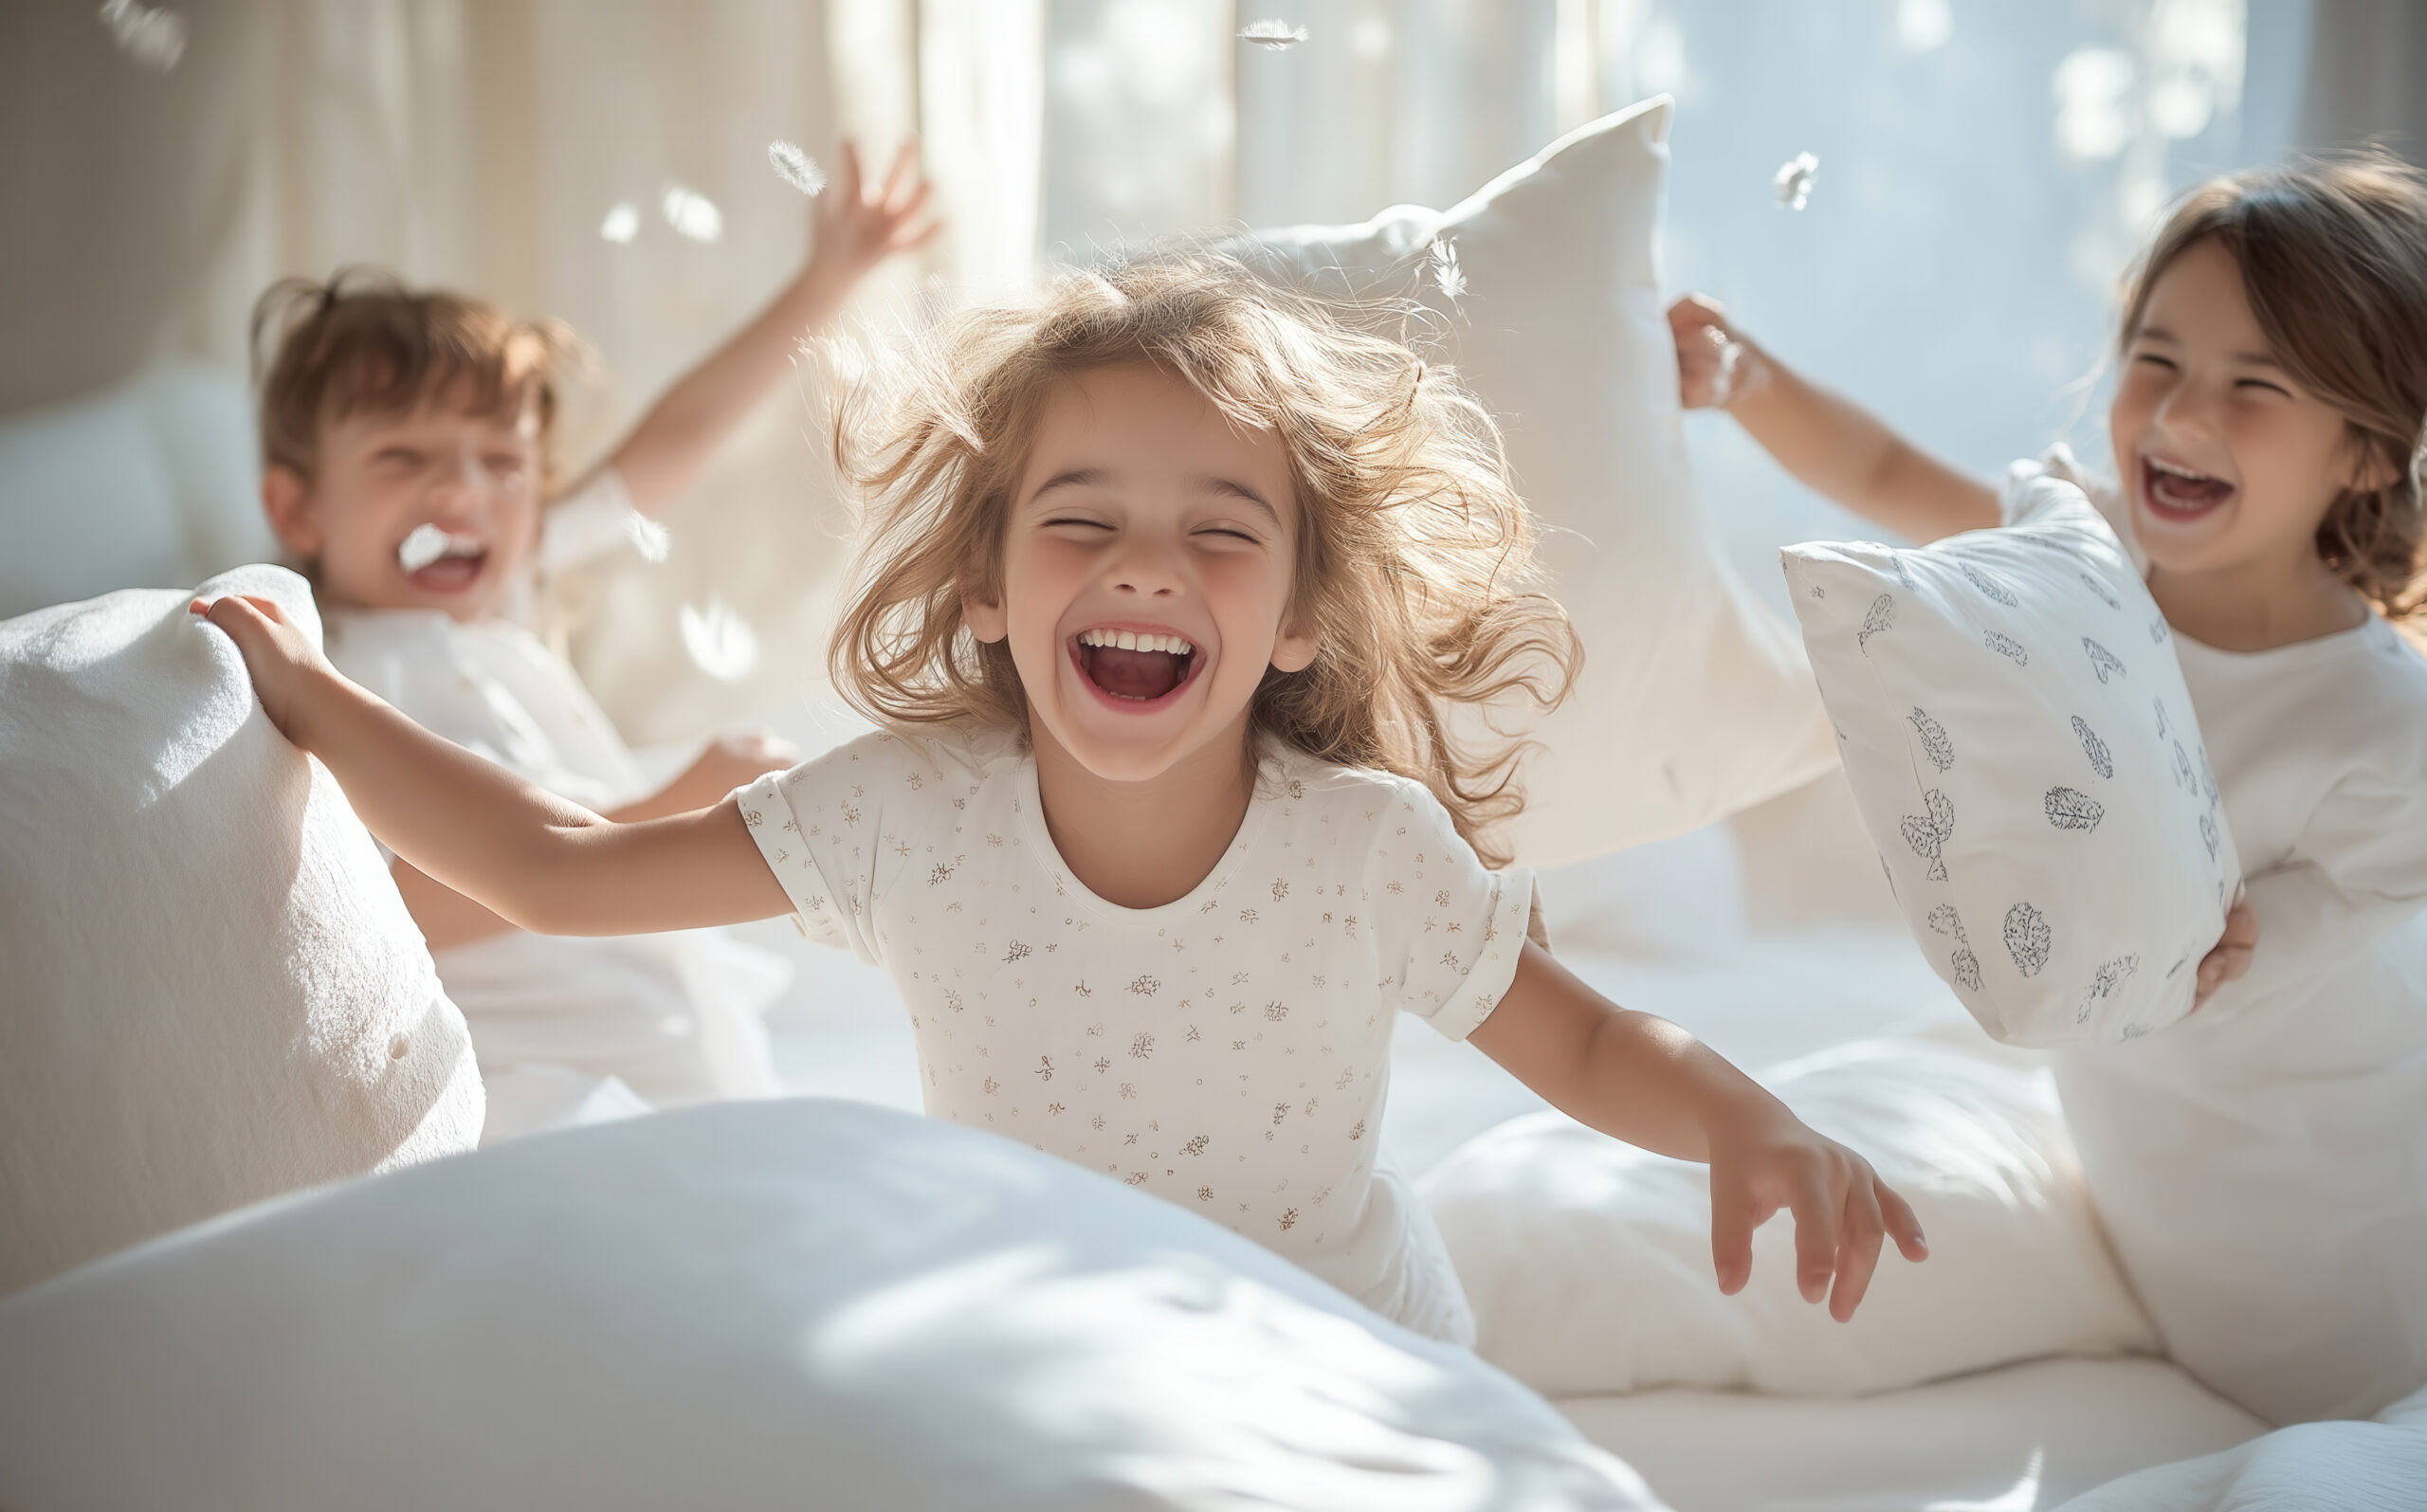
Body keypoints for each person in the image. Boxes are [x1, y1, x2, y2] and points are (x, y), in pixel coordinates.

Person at [194, 253, 1926, 1343]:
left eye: (1221, 531)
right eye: (1081, 521)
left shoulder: (1366, 851)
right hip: (1037, 1353)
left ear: (1302, 615)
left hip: (1342, 1355)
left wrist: (1741, 1117)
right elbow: (557, 868)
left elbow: (1595, 1045)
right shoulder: (903, 811)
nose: (1145, 566)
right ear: (990, 591)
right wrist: (300, 681)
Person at [1669, 154, 2427, 1423]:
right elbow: (1896, 478)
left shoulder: (2379, 713)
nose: (2182, 413)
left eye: (2254, 386)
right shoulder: (2080, 570)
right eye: (2158, 358)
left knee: (2331, 1386)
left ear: (2364, 454)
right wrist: (1747, 380)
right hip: (2142, 1145)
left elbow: (2384, 886)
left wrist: (2268, 931)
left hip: (2329, 1176)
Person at [250, 140, 938, 1139]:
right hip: (530, 1081)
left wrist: (826, 280)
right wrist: (656, 813)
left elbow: (681, 437)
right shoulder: (330, 675)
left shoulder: (508, 587)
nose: (462, 494)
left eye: (501, 462)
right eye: (403, 457)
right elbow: (387, 912)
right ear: (299, 510)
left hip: (672, 1044)